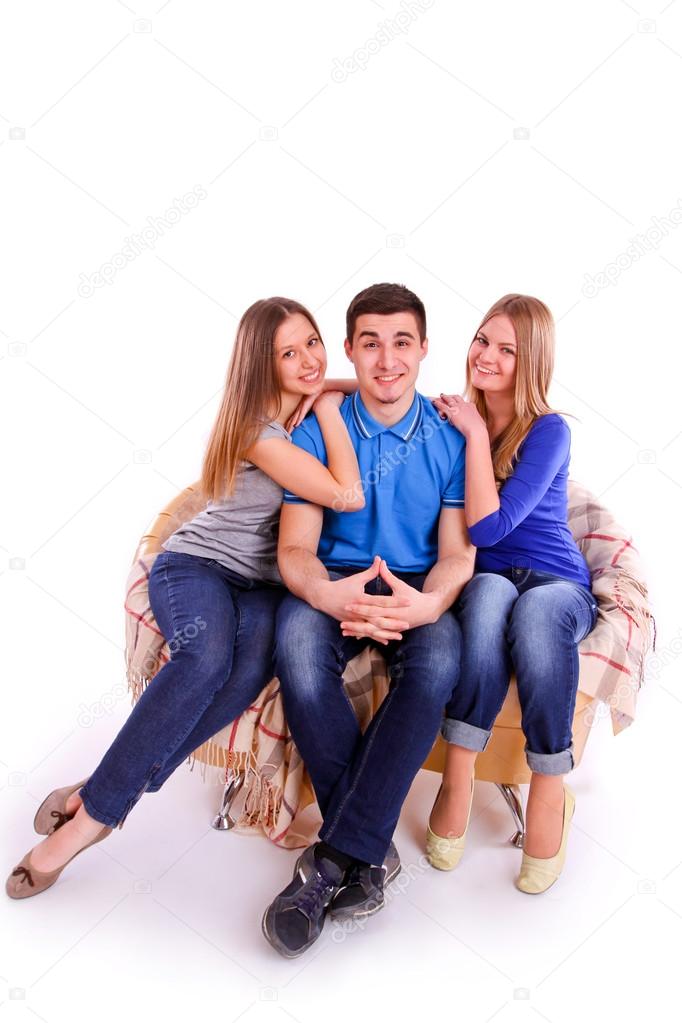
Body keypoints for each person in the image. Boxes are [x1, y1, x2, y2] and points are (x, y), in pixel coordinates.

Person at [7, 296, 366, 900]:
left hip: (260, 588)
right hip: (196, 568)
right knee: (202, 662)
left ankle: (97, 786)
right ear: (262, 363)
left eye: (313, 342)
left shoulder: (297, 400)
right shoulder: (257, 427)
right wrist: (329, 406)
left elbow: (368, 379)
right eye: (289, 352)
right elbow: (346, 494)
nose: (308, 359)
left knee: (240, 677)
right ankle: (85, 827)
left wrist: (324, 384)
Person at [262, 282, 475, 958]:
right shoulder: (315, 427)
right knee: (294, 645)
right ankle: (369, 849)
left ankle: (330, 864)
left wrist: (430, 602)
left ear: (423, 350)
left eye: (402, 341)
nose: (387, 359)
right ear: (350, 348)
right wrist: (329, 596)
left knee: (441, 659)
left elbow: (456, 554)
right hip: (335, 579)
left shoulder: (446, 435)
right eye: (371, 343)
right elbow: (294, 550)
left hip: (412, 588)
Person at [426, 293, 598, 894]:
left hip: (556, 581)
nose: (488, 356)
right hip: (491, 579)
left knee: (536, 615)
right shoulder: (452, 415)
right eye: (482, 340)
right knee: (492, 600)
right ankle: (459, 773)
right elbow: (382, 388)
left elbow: (489, 527)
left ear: (532, 363)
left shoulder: (549, 431)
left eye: (508, 350)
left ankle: (549, 791)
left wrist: (475, 435)